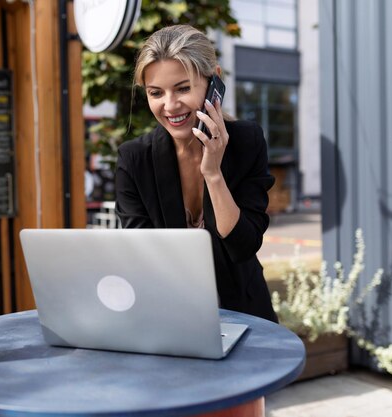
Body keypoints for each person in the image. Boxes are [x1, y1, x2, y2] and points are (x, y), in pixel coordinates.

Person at [115, 24, 278, 323]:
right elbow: (142, 258)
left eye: (183, 88)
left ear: (213, 81)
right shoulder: (134, 159)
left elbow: (244, 245)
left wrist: (213, 174)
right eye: (156, 93)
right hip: (170, 316)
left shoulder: (247, 142)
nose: (170, 105)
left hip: (244, 312)